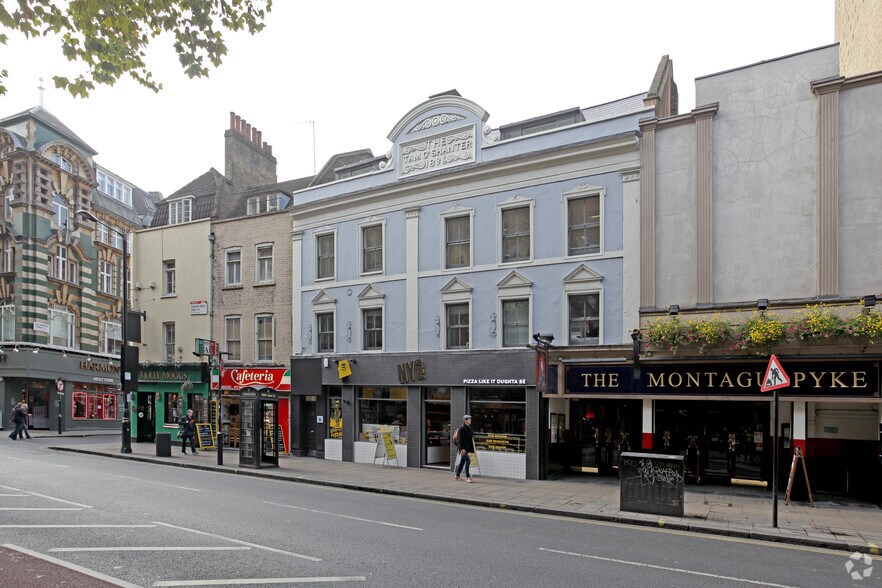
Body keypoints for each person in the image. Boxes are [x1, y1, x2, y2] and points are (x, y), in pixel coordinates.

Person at [453, 414, 474, 483]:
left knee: (462, 461)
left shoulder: (469, 428)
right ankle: (468, 477)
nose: (470, 420)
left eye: (470, 419)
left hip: (466, 448)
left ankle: (457, 475)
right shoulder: (462, 428)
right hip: (463, 448)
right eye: (469, 419)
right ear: (465, 420)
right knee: (468, 461)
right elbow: (460, 439)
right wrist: (461, 449)